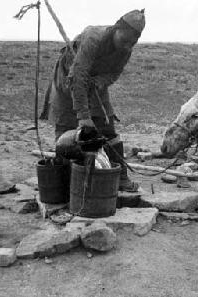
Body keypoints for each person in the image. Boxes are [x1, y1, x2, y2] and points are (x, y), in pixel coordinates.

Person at [42, 9, 145, 192]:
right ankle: (65, 184)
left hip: (94, 83)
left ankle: (119, 177)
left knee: (106, 125)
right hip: (70, 78)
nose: (127, 46)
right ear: (116, 29)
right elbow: (77, 76)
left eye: (133, 43)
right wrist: (82, 116)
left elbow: (114, 73)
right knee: (67, 128)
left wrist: (99, 81)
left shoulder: (125, 51)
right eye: (124, 40)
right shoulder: (93, 38)